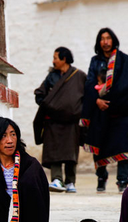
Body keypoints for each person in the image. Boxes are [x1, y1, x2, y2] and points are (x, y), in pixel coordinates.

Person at [81, 27, 128, 193]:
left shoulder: (124, 60)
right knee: (98, 144)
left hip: (121, 111)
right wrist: (97, 100)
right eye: (102, 38)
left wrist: (115, 98)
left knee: (123, 146)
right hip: (100, 112)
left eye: (108, 38)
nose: (105, 41)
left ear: (113, 40)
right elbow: (90, 84)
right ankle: (101, 177)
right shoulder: (95, 61)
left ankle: (122, 180)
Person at [34, 47, 87, 193]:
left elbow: (87, 97)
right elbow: (40, 94)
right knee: (54, 150)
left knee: (70, 152)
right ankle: (57, 180)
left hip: (71, 121)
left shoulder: (79, 76)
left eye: (55, 57)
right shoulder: (52, 76)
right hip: (53, 121)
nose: (53, 61)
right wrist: (49, 105)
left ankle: (70, 182)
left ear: (64, 59)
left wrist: (79, 112)